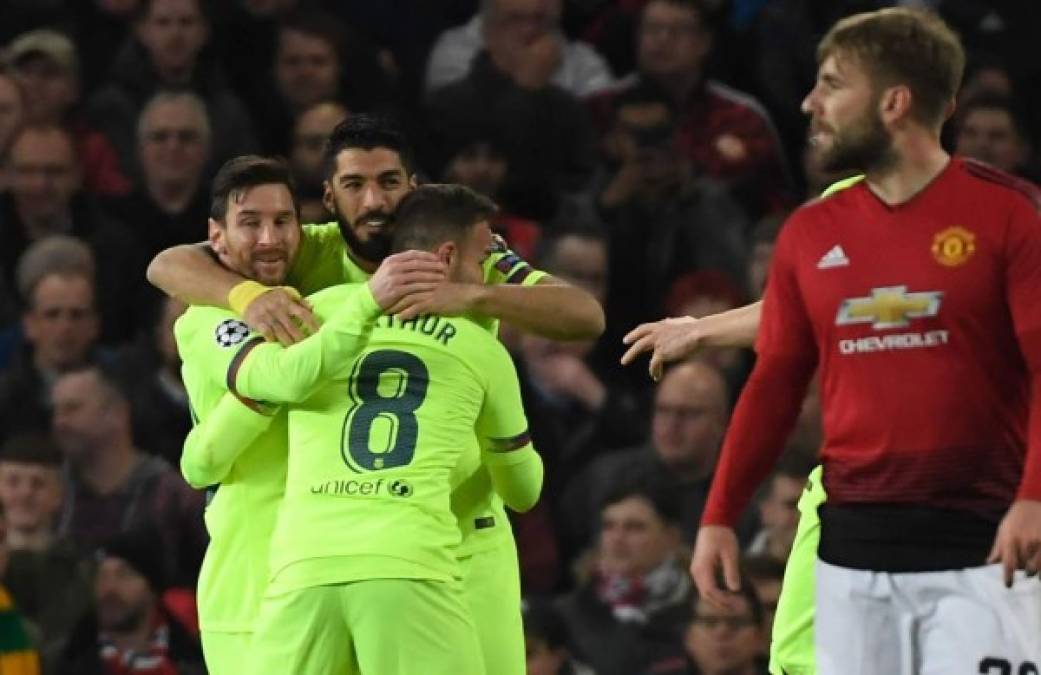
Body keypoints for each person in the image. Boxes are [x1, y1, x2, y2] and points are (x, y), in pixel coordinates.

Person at [149, 115, 604, 675]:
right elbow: (168, 263)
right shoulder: (305, 252)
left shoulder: (465, 250)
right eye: (354, 185)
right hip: (313, 543)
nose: (374, 201)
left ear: (411, 185)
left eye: (389, 182)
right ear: (328, 197)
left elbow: (584, 315)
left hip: (458, 538)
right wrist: (245, 296)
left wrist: (471, 296)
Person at [686, 8, 1041, 675]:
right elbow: (774, 383)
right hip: (852, 542)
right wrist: (719, 512)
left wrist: (1032, 498)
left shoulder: (1008, 216)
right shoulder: (809, 232)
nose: (808, 103)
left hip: (981, 536)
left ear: (892, 101)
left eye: (829, 85)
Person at [190, 184, 543, 674]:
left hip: (301, 571)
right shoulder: (481, 347)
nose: (489, 273)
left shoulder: (313, 315)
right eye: (485, 257)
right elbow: (524, 490)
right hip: (411, 565)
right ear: (447, 256)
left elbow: (198, 460)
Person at [172, 154, 440, 674]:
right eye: (250, 223)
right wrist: (363, 306)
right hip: (250, 590)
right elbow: (273, 378)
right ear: (216, 236)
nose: (270, 238)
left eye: (283, 221)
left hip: (332, 580)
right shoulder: (206, 319)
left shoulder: (320, 307)